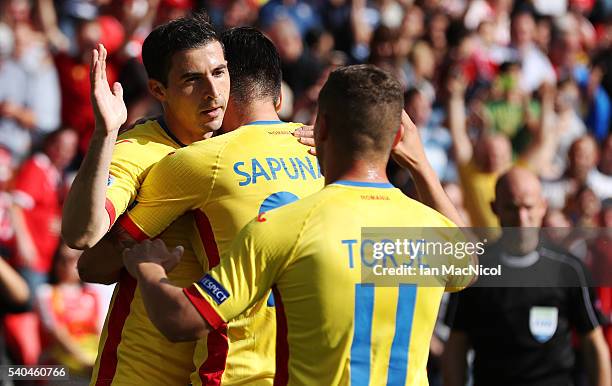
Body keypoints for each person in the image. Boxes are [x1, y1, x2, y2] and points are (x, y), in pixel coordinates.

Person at [120, 65, 474, 385]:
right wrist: (421, 165)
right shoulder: (432, 231)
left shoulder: (284, 225)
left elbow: (182, 320)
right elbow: (470, 266)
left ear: (320, 128)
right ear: (398, 139)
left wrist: (149, 267)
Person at [81, 26, 325, 386]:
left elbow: (93, 264)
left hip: (220, 374)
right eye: (196, 79)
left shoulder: (201, 161)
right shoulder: (326, 159)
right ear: (277, 100)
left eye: (217, 75)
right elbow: (435, 263)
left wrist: (149, 270)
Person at [62, 15, 232, 386]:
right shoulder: (138, 151)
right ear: (158, 90)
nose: (213, 91)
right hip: (137, 374)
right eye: (192, 79)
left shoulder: (240, 144)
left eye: (219, 72)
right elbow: (82, 236)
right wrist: (105, 135)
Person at [443, 167, 611, 386]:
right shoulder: (474, 270)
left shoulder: (569, 269)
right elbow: (456, 345)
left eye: (528, 207)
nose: (521, 218)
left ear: (543, 206)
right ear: (495, 208)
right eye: (512, 208)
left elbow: (594, 346)